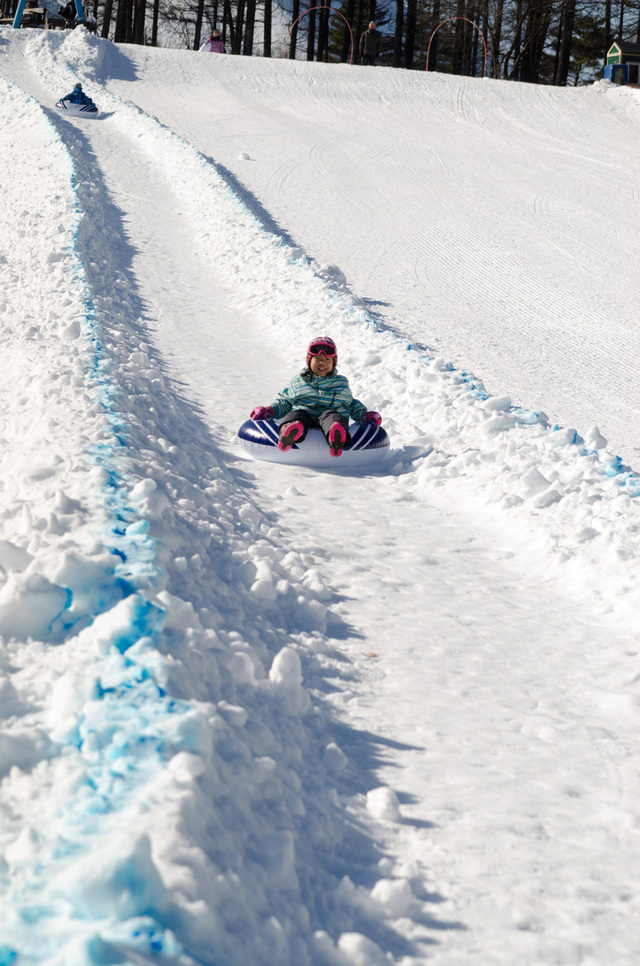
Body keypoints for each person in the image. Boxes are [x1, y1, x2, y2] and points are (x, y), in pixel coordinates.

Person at [250, 337, 382, 458]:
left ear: (334, 363)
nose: (322, 363)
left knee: (334, 416)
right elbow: (285, 402)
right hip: (304, 414)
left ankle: (335, 436)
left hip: (328, 416)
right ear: (309, 361)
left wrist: (365, 415)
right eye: (317, 359)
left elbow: (351, 405)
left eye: (327, 360)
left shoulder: (341, 383)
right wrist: (270, 411)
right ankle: (290, 431)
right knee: (297, 414)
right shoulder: (299, 382)